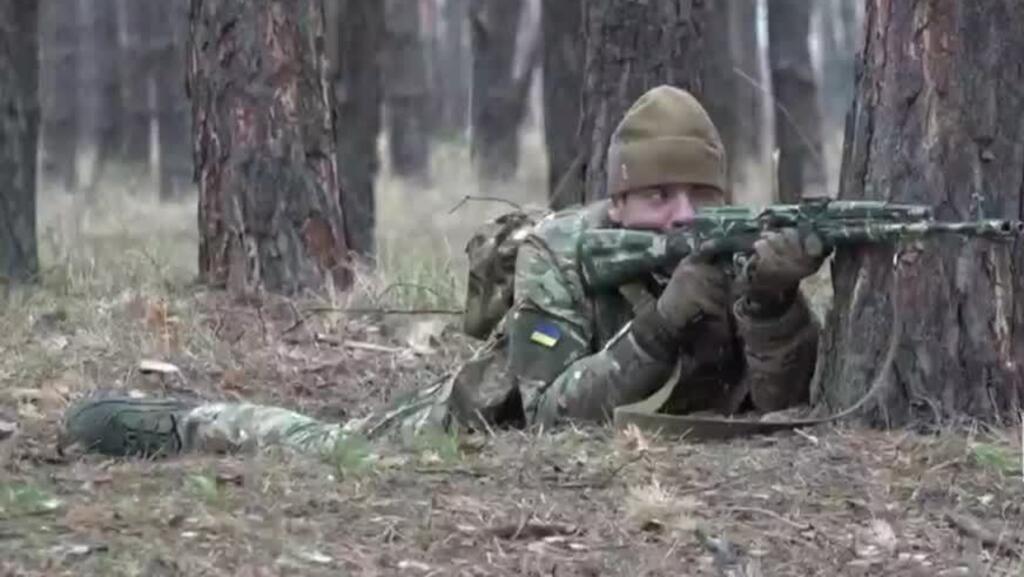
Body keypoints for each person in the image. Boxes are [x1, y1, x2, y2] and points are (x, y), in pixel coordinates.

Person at [60, 85, 827, 458]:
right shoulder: (561, 251)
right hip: (471, 422)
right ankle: (187, 420)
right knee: (320, 446)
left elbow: (780, 403)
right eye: (658, 194)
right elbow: (553, 412)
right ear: (619, 196)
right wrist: (661, 324)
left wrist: (770, 304)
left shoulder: (728, 253)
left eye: (699, 195)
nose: (680, 214)